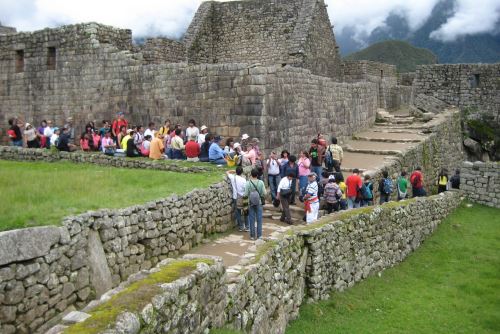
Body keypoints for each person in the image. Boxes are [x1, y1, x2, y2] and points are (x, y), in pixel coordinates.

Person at [244, 168, 266, 240]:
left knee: (251, 219)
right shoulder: (261, 182)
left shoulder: (248, 183)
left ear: (251, 174)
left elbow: (245, 194)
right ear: (257, 175)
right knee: (259, 219)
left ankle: (252, 236)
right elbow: (264, 193)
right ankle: (259, 235)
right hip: (259, 203)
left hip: (251, 203)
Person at [227, 168, 248, 232]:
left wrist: (233, 171)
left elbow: (227, 172)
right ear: (242, 173)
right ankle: (247, 226)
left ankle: (241, 227)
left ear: (236, 172)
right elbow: (246, 189)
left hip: (236, 197)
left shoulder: (233, 178)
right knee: (246, 212)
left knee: (238, 212)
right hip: (244, 197)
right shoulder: (243, 180)